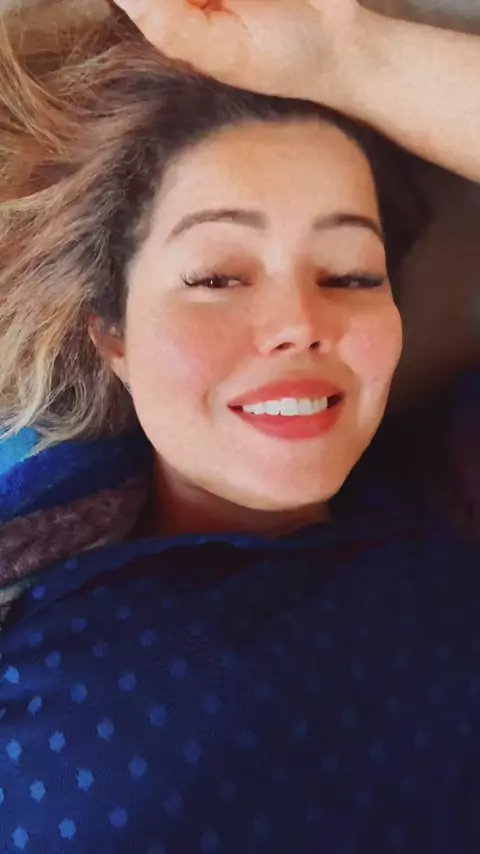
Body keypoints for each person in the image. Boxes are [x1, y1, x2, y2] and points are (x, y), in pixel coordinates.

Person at [0, 1, 478, 852]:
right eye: (219, 277)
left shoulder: (454, 508)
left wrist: (350, 56)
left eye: (350, 274)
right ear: (113, 336)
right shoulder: (40, 635)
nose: (301, 323)